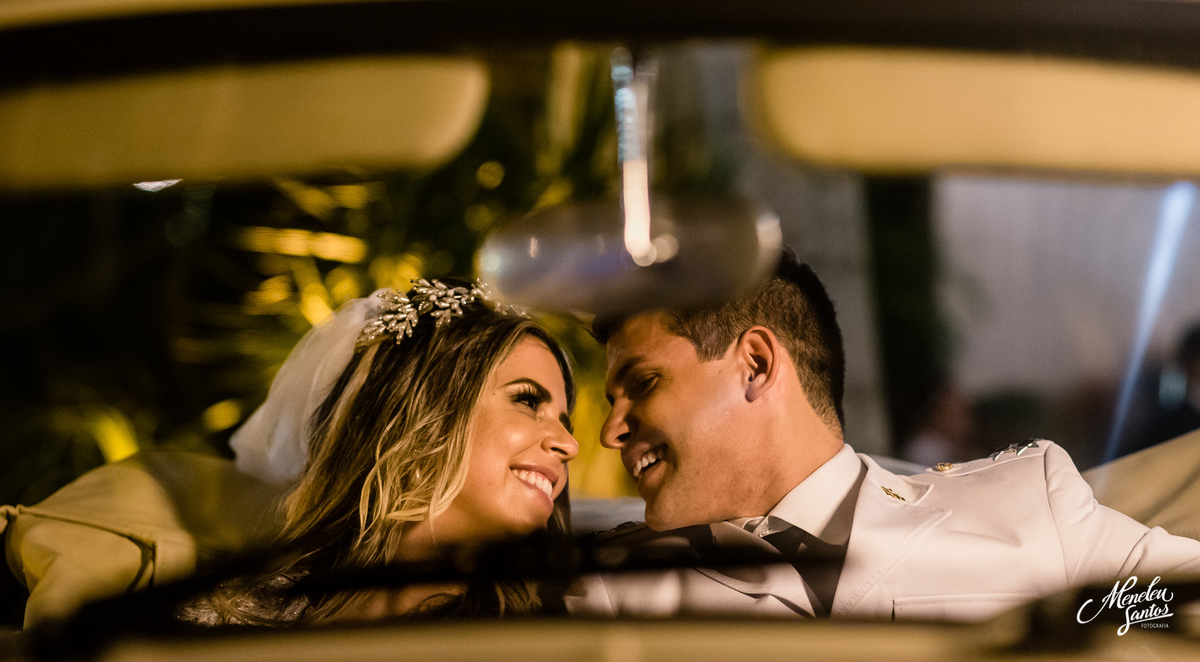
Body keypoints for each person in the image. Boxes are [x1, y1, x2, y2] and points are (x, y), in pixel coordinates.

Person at [564, 250, 1200, 622]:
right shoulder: (612, 588)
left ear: (756, 365)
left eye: (642, 384)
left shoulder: (1031, 507)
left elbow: (1179, 609)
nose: (611, 429)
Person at [181, 278, 578, 625]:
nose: (570, 444)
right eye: (527, 401)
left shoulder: (544, 638)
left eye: (566, 422)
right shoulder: (239, 613)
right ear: (427, 411)